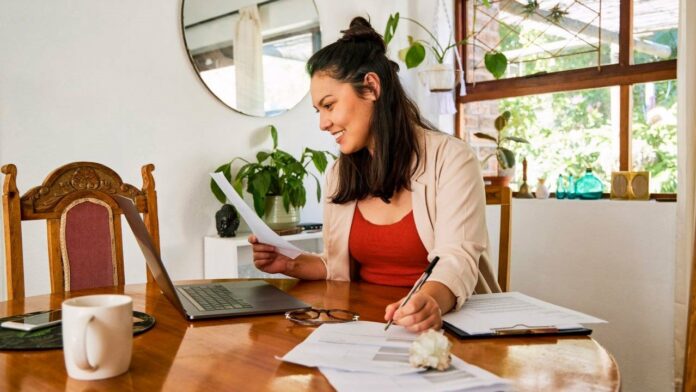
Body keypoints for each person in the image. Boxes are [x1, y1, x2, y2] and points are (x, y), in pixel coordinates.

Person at [249, 17, 500, 332]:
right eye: (319, 111)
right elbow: (337, 265)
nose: (323, 123)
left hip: (445, 327)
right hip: (363, 326)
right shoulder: (341, 173)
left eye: (329, 105)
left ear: (371, 87)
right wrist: (291, 264)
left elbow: (457, 260)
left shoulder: (452, 159)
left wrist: (430, 300)